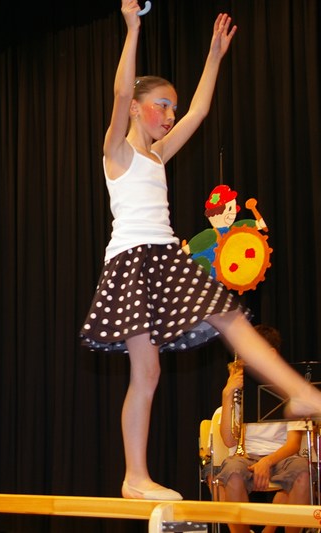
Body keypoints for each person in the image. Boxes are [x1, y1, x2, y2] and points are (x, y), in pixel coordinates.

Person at [80, 0, 321, 500]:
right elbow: (121, 89)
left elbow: (201, 111)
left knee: (225, 315)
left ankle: (298, 393)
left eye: (171, 107)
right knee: (149, 369)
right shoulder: (117, 150)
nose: (170, 115)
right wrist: (132, 29)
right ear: (135, 109)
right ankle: (135, 475)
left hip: (165, 256)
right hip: (132, 262)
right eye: (161, 105)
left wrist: (213, 55)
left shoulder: (157, 154)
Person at [211, 325, 310, 533]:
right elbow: (229, 441)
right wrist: (227, 394)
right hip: (246, 457)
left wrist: (267, 461)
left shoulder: (290, 388)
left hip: (281, 457)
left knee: (303, 471)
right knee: (232, 472)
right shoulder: (239, 390)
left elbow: (293, 444)